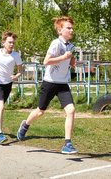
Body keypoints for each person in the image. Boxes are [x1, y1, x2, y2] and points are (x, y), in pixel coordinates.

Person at [17, 16, 78, 154]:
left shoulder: (71, 46)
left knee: (71, 110)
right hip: (49, 82)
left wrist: (71, 63)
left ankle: (67, 143)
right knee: (40, 111)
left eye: (72, 28)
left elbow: (67, 61)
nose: (71, 30)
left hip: (62, 83)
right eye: (68, 28)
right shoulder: (55, 43)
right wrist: (63, 58)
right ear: (59, 30)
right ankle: (25, 125)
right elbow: (46, 61)